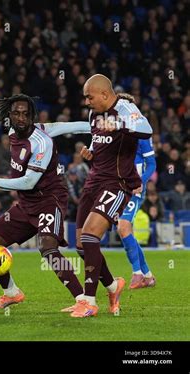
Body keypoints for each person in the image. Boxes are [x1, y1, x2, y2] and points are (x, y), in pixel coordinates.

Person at [0, 94, 92, 310]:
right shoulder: (13, 132)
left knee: (48, 248)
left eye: (25, 114)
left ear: (32, 116)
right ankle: (11, 293)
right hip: (26, 203)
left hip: (50, 199)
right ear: (9, 116)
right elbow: (67, 126)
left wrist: (101, 126)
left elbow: (29, 181)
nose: (21, 118)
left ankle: (82, 300)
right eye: (16, 113)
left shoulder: (41, 141)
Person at [67, 75, 153, 318]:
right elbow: (98, 142)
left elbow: (147, 130)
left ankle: (89, 301)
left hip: (118, 184)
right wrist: (90, 151)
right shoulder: (94, 114)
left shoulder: (125, 108)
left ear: (105, 94)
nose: (87, 102)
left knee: (91, 235)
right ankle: (114, 287)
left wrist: (119, 126)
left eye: (89, 96)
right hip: (94, 181)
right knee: (82, 247)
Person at [83, 109, 157, 289]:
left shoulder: (139, 130)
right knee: (125, 230)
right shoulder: (111, 129)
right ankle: (147, 275)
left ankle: (137, 274)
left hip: (135, 187)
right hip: (118, 186)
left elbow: (152, 163)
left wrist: (141, 182)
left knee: (123, 227)